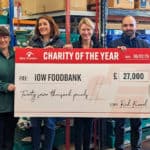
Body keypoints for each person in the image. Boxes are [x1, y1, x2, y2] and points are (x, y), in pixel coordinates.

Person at [108, 15, 150, 150]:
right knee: (119, 124)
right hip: (119, 91)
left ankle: (136, 148)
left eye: (131, 25)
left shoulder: (145, 46)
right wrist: (117, 54)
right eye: (125, 25)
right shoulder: (113, 45)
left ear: (136, 26)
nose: (128, 28)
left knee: (136, 124)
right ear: (121, 27)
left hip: (137, 92)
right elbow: (108, 68)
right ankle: (119, 148)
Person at [28, 15, 64, 150]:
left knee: (50, 122)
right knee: (35, 123)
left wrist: (56, 52)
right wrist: (27, 53)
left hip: (52, 89)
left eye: (45, 24)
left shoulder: (59, 43)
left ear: (51, 26)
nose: (42, 27)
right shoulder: (33, 42)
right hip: (35, 88)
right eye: (40, 25)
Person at [64, 17, 100, 150]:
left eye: (88, 29)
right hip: (77, 91)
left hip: (92, 91)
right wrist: (65, 51)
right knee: (78, 125)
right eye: (83, 29)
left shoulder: (99, 47)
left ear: (93, 30)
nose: (86, 32)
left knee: (89, 125)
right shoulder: (73, 46)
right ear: (79, 31)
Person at [0, 26, 18, 150]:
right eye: (0, 37)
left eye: (5, 37)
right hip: (1, 107)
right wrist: (6, 86)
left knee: (10, 140)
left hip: (14, 106)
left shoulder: (16, 55)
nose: (2, 40)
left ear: (9, 38)